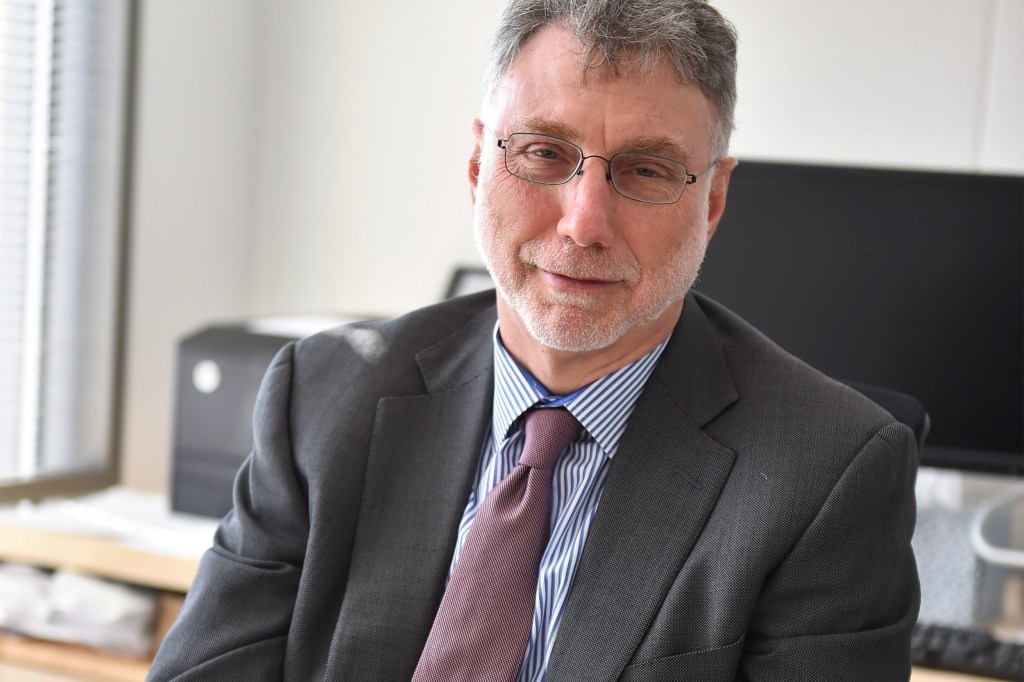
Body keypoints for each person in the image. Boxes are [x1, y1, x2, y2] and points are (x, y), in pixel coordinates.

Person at [148, 1, 919, 680]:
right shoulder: (323, 396)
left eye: (646, 170)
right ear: (481, 163)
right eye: (544, 154)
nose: (584, 223)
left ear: (712, 200)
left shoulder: (827, 478)